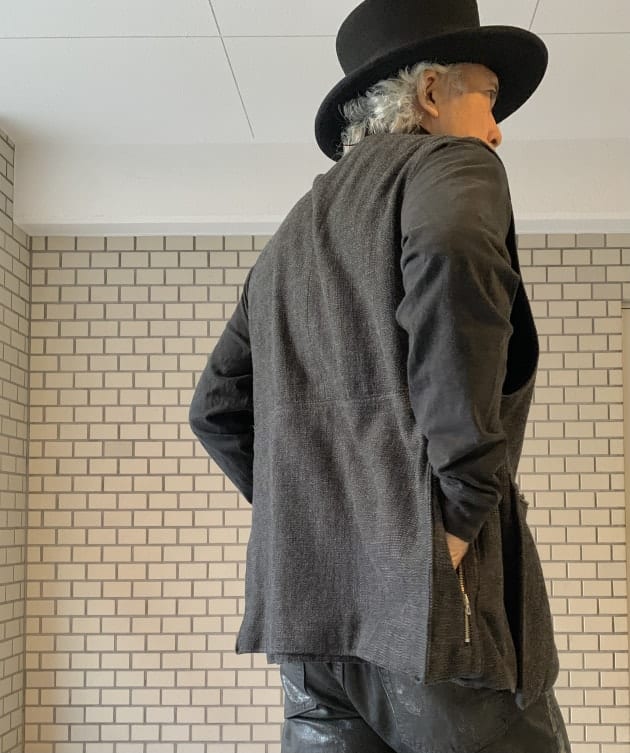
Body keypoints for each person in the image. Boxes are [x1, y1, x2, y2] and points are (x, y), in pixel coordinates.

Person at [189, 1, 572, 751]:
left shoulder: (293, 232)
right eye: (488, 97)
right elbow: (452, 246)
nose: (496, 130)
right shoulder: (453, 164)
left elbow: (216, 408)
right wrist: (456, 514)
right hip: (436, 619)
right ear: (432, 93)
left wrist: (324, 524)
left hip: (312, 634)